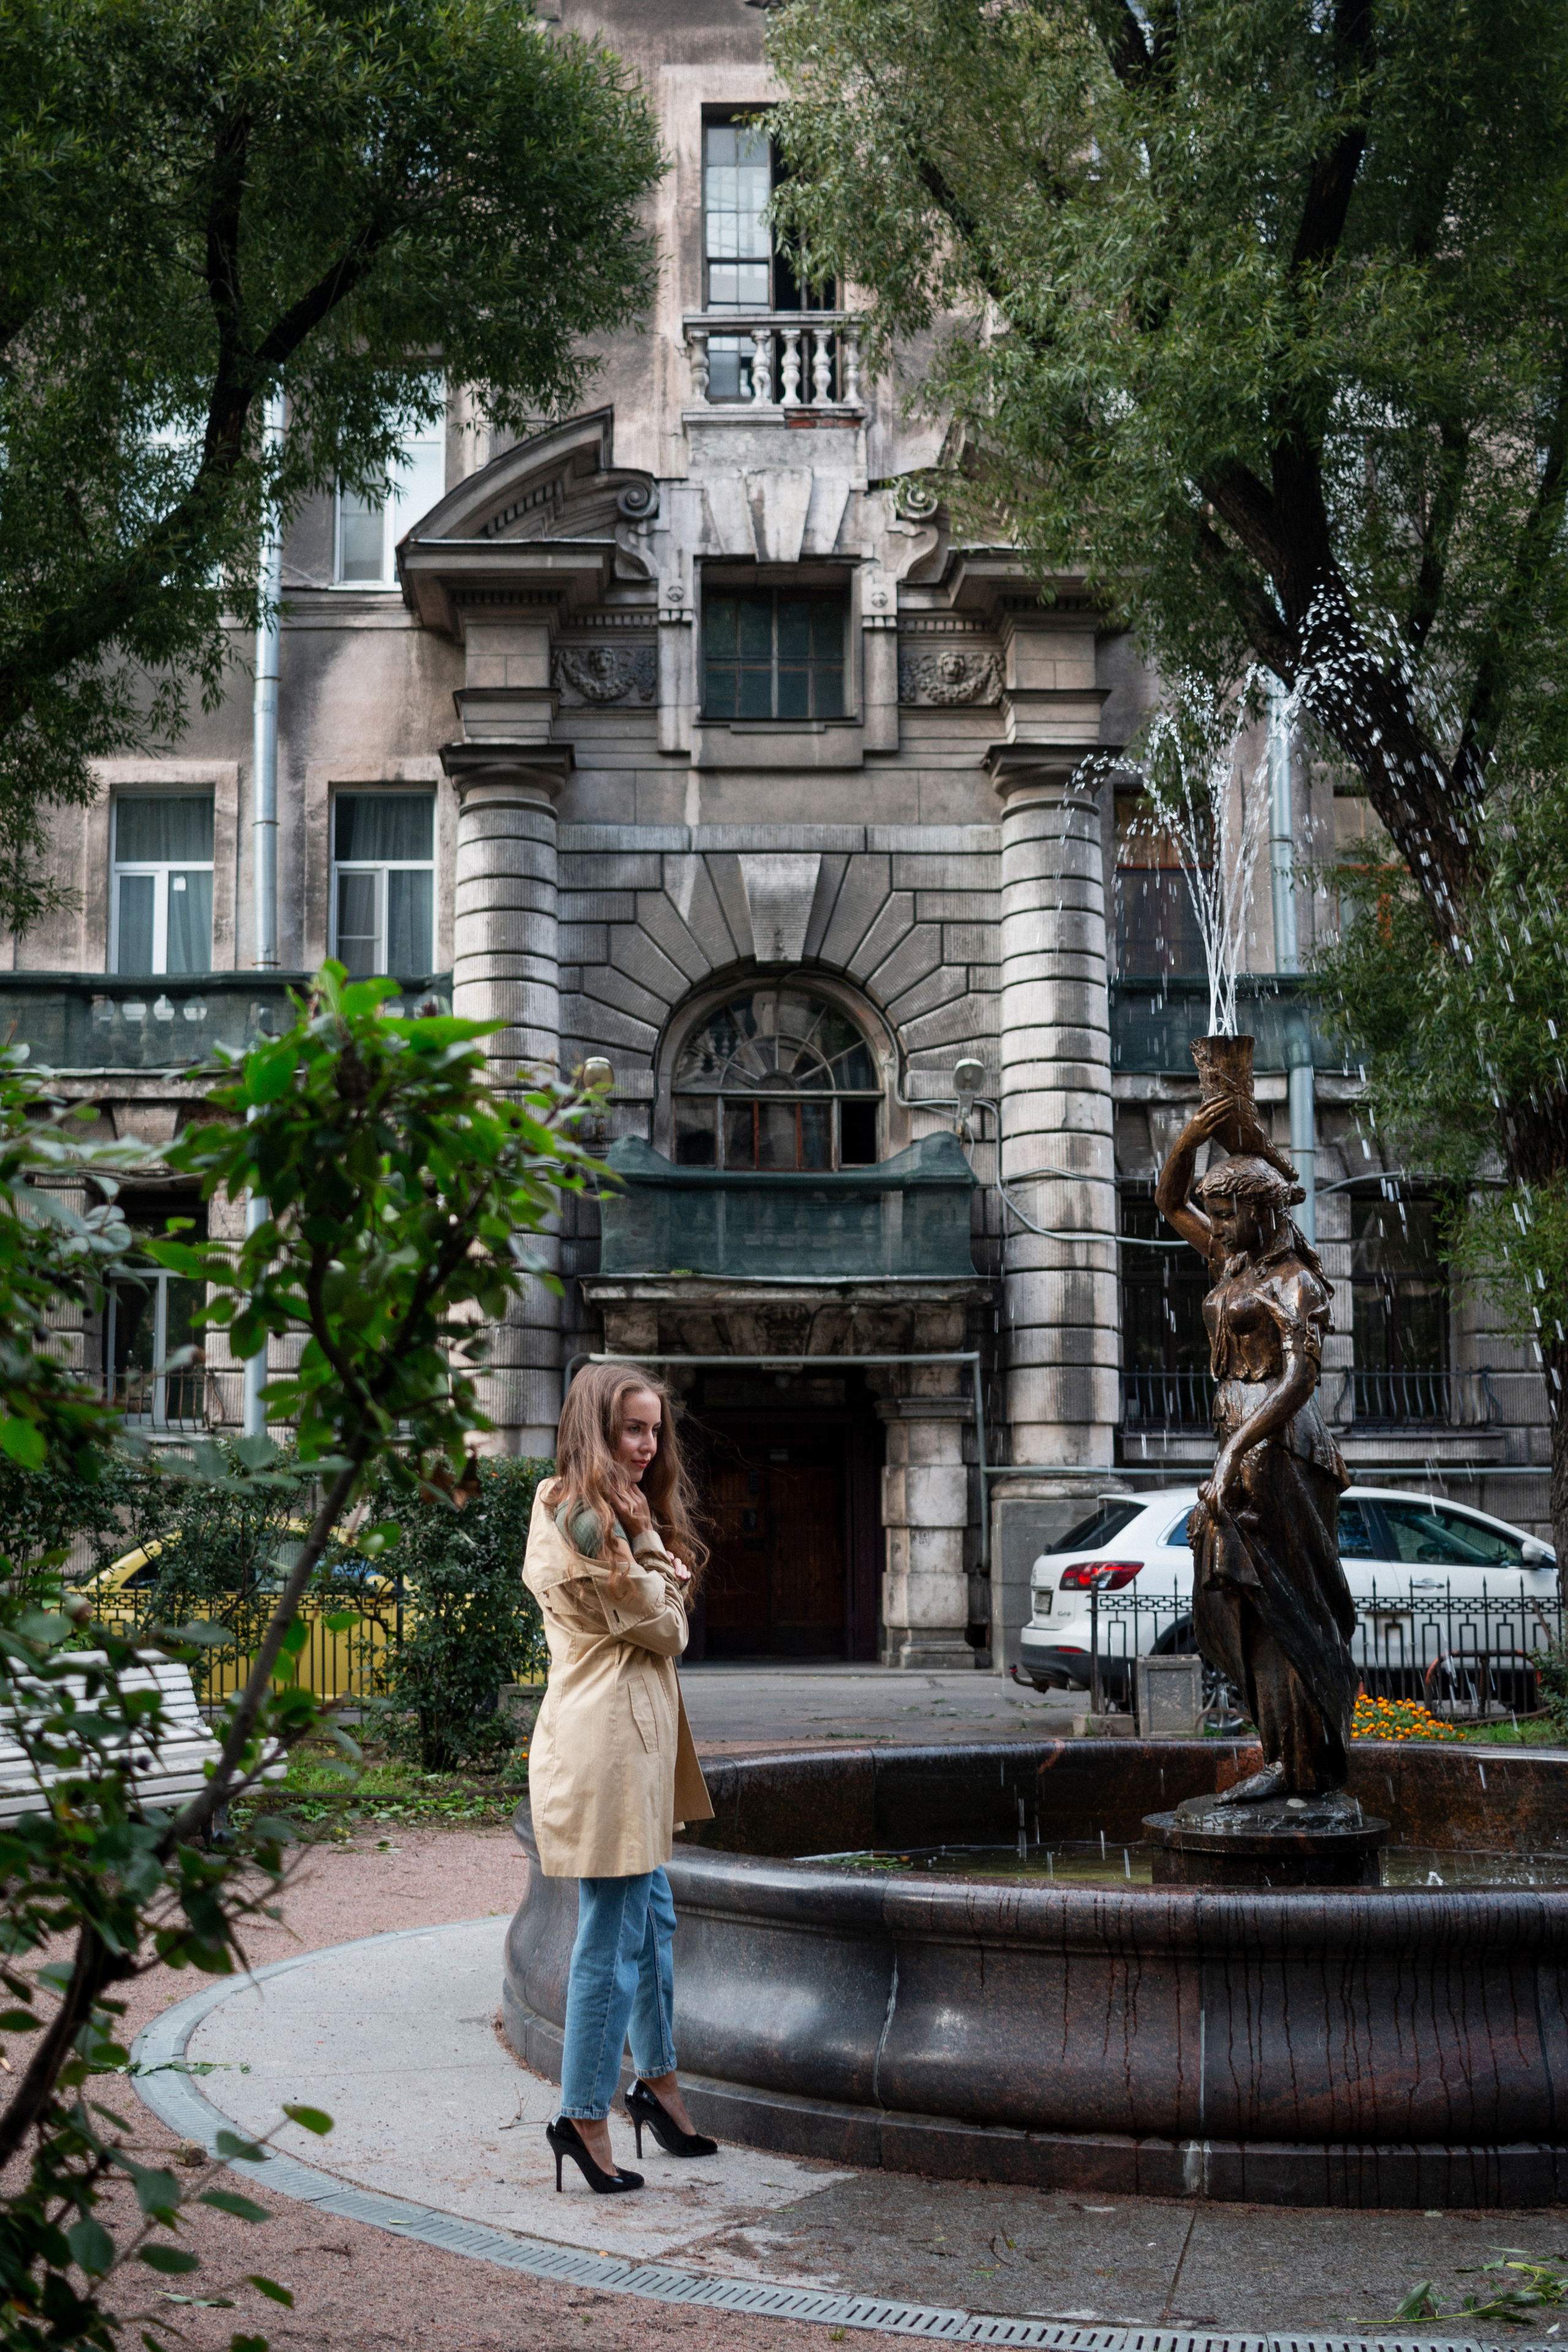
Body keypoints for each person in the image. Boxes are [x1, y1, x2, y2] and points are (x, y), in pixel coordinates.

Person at [523, 1361, 718, 2194]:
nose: (647, 1446)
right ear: (595, 1429)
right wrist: (653, 1556)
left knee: (652, 1919)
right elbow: (667, 1629)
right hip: (604, 1746)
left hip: (621, 1741)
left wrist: (660, 1564)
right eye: (631, 1429)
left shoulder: (601, 1510)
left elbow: (664, 1611)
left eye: (653, 1429)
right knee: (610, 1939)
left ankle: (658, 2083)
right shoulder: (590, 1523)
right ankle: (582, 2113)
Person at [1155, 1093, 1357, 1803]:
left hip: (1281, 1454)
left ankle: (1300, 1768)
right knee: (1235, 1604)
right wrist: (1194, 1132)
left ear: (1264, 1211)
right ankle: (1281, 1754)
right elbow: (1167, 1198)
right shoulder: (1231, 1262)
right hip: (1240, 1452)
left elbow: (1300, 1381)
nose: (1221, 1223)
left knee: (1282, 1606)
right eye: (1219, 1211)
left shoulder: (1293, 1280)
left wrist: (1235, 1451)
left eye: (1232, 1210)